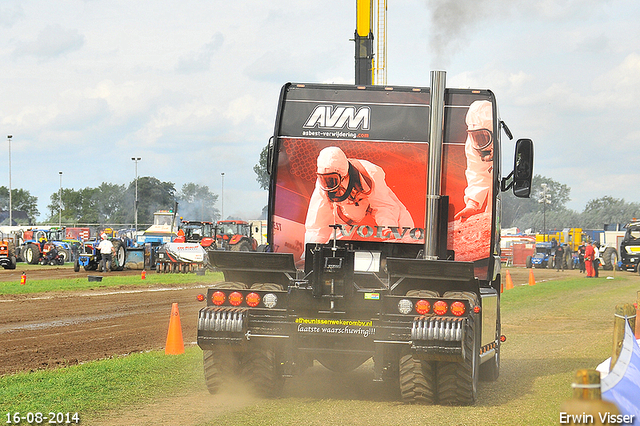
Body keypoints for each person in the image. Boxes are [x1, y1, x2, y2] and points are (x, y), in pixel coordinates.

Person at [305, 146, 414, 245]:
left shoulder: (369, 173)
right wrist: (309, 254)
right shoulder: (323, 183)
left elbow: (383, 206)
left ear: (343, 174)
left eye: (332, 179)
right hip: (348, 215)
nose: (328, 184)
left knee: (403, 229)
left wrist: (387, 230)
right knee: (333, 247)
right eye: (324, 179)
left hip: (376, 204)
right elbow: (317, 222)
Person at [454, 100, 494, 221]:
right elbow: (477, 174)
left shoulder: (505, 145)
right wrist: (472, 204)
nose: (480, 142)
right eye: (477, 137)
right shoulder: (472, 145)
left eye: (484, 137)